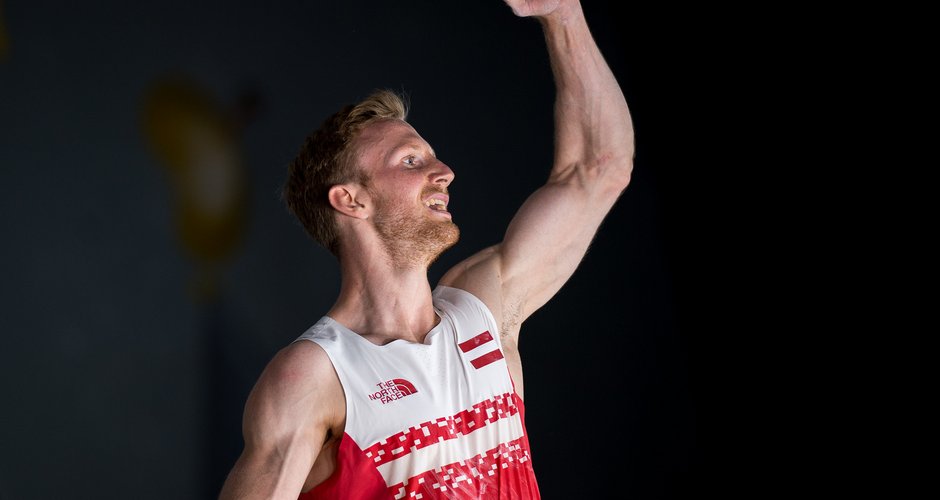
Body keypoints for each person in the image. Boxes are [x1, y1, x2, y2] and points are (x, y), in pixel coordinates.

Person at [219, 0, 633, 498]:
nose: (444, 173)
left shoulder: (483, 307)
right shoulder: (315, 375)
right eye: (411, 160)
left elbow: (598, 167)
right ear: (351, 200)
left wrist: (563, 14)